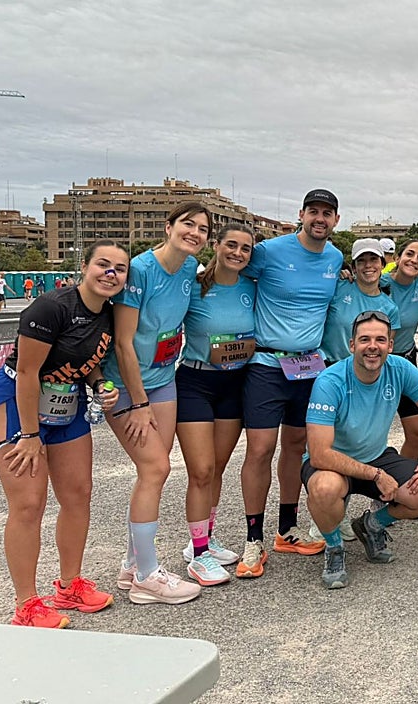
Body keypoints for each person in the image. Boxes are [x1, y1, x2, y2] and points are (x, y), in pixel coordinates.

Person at [0, 240, 126, 627]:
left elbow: (86, 363)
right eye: (103, 265)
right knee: (29, 503)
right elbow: (27, 373)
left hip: (65, 404)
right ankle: (26, 604)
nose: (111, 274)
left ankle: (70, 585)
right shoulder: (51, 307)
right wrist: (29, 436)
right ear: (85, 266)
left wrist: (99, 384)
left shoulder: (110, 314)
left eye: (120, 269)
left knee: (78, 494)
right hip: (17, 400)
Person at [237, 189, 345, 578]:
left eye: (327, 213)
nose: (320, 218)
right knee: (261, 449)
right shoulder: (269, 251)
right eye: (313, 211)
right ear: (301, 214)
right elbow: (230, 274)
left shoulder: (336, 258)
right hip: (266, 363)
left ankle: (287, 529)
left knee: (297, 447)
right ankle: (253, 538)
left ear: (336, 220)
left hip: (309, 367)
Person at [302, 310, 418, 588]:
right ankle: (334, 547)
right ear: (352, 345)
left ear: (390, 345)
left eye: (381, 340)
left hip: (376, 455)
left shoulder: (400, 368)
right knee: (324, 490)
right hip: (332, 461)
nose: (373, 346)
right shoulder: (330, 381)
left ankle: (371, 525)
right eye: (365, 339)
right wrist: (374, 474)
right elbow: (320, 453)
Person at [106, 202, 208, 605]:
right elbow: (123, 341)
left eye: (202, 228)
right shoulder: (140, 270)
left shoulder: (188, 269)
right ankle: (147, 576)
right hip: (129, 386)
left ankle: (132, 562)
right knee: (155, 467)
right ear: (168, 227)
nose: (195, 233)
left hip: (165, 379)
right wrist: (140, 402)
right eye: (188, 224)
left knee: (155, 470)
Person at [174, 224, 256, 586]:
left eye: (246, 248)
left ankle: (204, 539)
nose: (238, 253)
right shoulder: (193, 286)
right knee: (201, 470)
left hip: (235, 383)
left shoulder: (252, 288)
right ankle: (199, 553)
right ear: (217, 245)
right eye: (232, 245)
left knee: (218, 467)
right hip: (196, 381)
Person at [382, 240, 418, 460]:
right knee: (363, 431)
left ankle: (402, 480)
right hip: (373, 363)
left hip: (404, 361)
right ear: (397, 257)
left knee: (417, 431)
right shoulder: (380, 282)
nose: (414, 260)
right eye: (409, 254)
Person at [322, 239, 402, 365]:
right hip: (327, 367)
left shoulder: (390, 308)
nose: (368, 265)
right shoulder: (336, 287)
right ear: (354, 267)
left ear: (382, 264)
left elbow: (383, 351)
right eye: (361, 261)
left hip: (363, 371)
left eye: (373, 259)